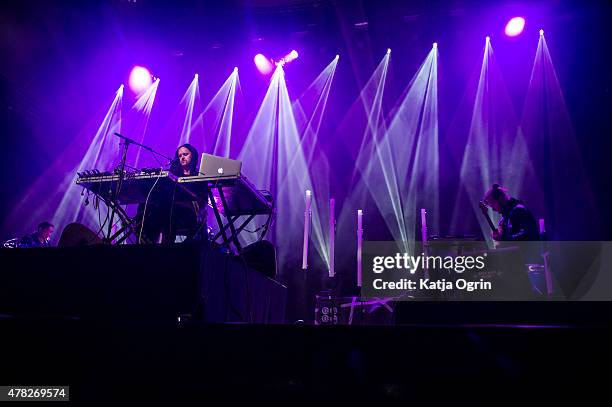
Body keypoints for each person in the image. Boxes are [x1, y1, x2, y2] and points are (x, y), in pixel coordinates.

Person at [137, 143, 203, 243]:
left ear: (193, 155)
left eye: (185, 154)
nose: (182, 158)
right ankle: (146, 243)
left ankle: (166, 248)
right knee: (145, 206)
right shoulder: (173, 175)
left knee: (168, 212)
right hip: (169, 210)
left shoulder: (199, 176)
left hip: (188, 213)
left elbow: (202, 200)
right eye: (180, 156)